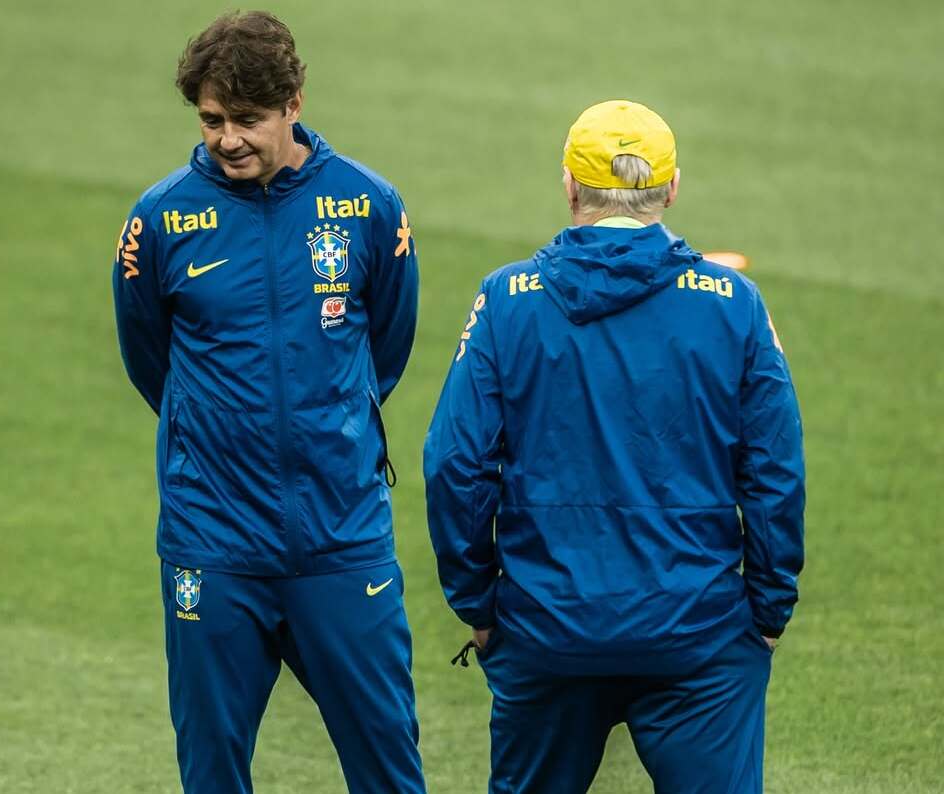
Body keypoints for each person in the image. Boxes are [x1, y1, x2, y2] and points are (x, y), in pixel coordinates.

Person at [424, 99, 805, 793]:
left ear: (570, 185)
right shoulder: (734, 303)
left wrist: (478, 606)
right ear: (672, 187)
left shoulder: (508, 300)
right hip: (700, 637)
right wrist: (770, 609)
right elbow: (775, 471)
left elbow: (454, 465)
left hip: (547, 629)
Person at [111, 11, 425, 793]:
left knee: (389, 771)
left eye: (246, 119)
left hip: (341, 537)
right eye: (212, 120)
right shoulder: (160, 220)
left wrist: (327, 421)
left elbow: (386, 347)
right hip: (212, 544)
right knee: (212, 773)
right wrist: (219, 435)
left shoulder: (368, 206)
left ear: (294, 102)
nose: (227, 139)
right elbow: (150, 362)